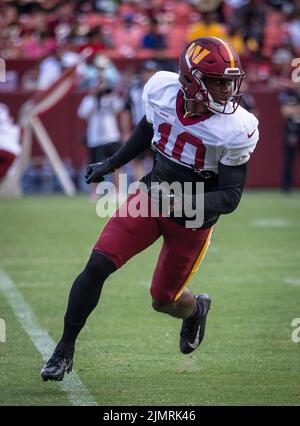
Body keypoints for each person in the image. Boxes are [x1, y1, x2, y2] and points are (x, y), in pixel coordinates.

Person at [41, 37, 259, 381]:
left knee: (163, 300)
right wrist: (111, 163)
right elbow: (148, 129)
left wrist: (185, 201)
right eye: (218, 82)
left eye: (229, 82)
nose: (226, 90)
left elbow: (231, 196)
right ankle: (64, 349)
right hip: (151, 197)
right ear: (191, 81)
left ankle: (195, 309)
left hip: (192, 221)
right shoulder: (160, 90)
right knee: (98, 263)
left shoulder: (235, 128)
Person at [279, 82, 300, 192]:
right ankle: (286, 186)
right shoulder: (289, 94)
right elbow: (286, 112)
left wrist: (294, 109)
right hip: (292, 130)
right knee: (288, 160)